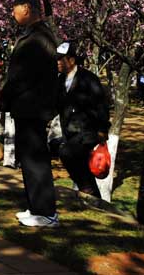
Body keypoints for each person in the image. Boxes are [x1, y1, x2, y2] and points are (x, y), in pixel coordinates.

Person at [0, 0, 60, 228]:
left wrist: (7, 93)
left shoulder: (38, 38)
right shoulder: (34, 36)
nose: (12, 14)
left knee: (36, 158)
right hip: (27, 106)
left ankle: (46, 211)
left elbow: (23, 75)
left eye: (15, 8)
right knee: (29, 157)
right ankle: (36, 206)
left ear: (26, 8)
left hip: (32, 105)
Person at [54, 41, 109, 199]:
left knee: (66, 153)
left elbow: (101, 105)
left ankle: (87, 190)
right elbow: (55, 105)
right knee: (79, 163)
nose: (58, 62)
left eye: (61, 59)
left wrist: (103, 130)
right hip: (69, 131)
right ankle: (93, 196)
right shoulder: (59, 81)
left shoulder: (88, 79)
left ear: (71, 60)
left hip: (88, 131)